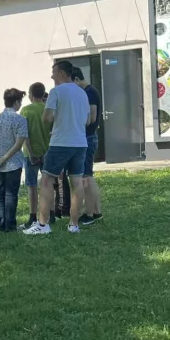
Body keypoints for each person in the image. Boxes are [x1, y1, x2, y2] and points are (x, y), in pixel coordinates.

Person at [23, 60, 91, 235]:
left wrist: (58, 117)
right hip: (80, 143)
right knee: (77, 182)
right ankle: (74, 225)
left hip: (60, 142)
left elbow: (46, 117)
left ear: (61, 73)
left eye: (53, 72)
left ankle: (43, 224)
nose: (52, 76)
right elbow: (87, 120)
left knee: (47, 180)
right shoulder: (82, 93)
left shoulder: (56, 91)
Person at [0, 88, 29, 232]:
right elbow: (19, 144)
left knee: (0, 194)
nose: (20, 105)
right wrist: (5, 158)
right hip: (13, 163)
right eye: (20, 102)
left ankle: (0, 224)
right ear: (16, 102)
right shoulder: (20, 120)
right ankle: (10, 226)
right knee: (11, 194)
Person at [72, 68, 103, 226]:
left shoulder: (89, 93)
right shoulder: (89, 91)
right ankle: (96, 212)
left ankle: (89, 214)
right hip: (89, 138)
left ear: (77, 79)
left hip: (88, 138)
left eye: (72, 83)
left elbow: (91, 118)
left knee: (86, 178)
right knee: (88, 176)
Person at [20, 82, 52, 229]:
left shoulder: (26, 110)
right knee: (48, 184)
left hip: (30, 153)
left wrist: (31, 153)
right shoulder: (48, 109)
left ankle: (32, 216)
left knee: (32, 186)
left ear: (31, 94)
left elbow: (24, 134)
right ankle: (50, 213)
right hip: (47, 152)